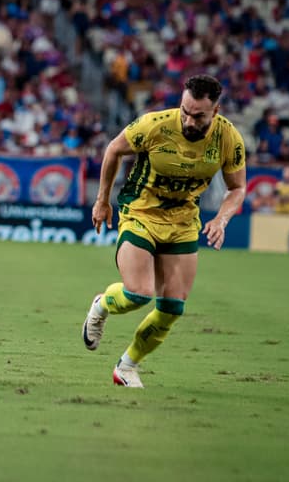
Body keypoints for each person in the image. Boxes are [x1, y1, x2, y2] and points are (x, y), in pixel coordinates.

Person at [82, 75, 247, 388]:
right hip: (140, 212)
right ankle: (102, 305)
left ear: (215, 110)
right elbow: (113, 150)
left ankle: (127, 366)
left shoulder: (228, 138)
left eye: (198, 115)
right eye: (185, 110)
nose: (188, 119)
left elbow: (237, 188)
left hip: (183, 222)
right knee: (138, 293)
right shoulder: (155, 125)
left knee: (172, 307)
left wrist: (222, 219)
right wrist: (102, 201)